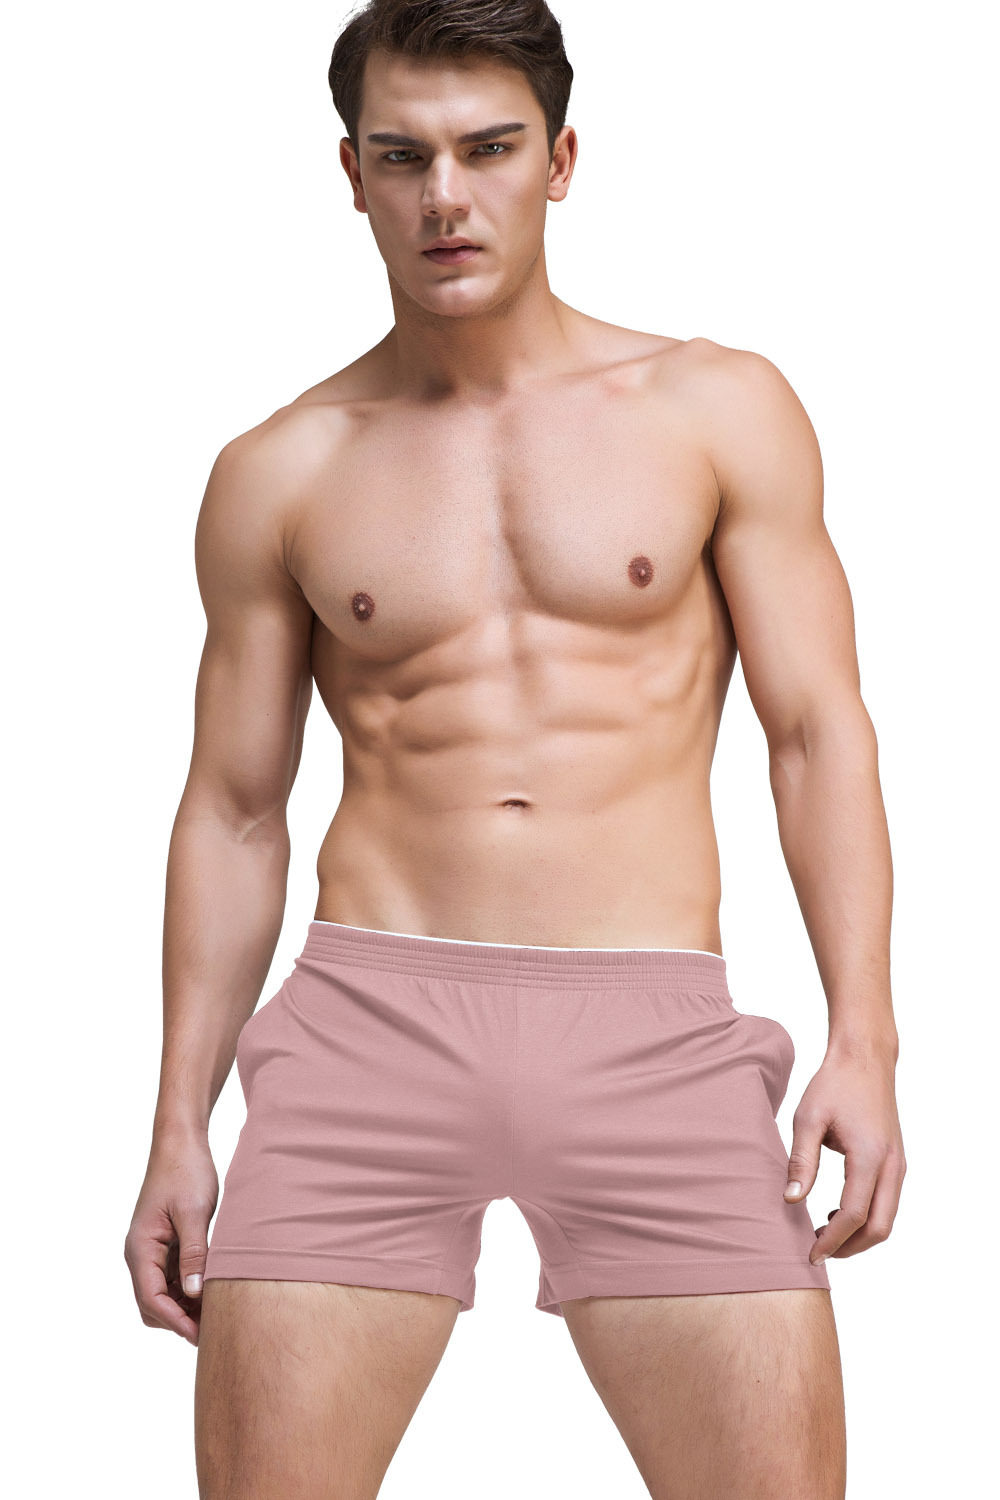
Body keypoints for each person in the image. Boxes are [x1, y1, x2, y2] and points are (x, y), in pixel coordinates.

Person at [124, 1, 905, 1494]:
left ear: (560, 160)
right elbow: (233, 810)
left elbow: (817, 734)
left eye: (488, 150)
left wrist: (863, 1040)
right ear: (351, 174)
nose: (446, 197)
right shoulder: (281, 468)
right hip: (365, 1030)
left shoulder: (716, 409)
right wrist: (178, 1122)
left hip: (655, 1034)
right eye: (403, 157)